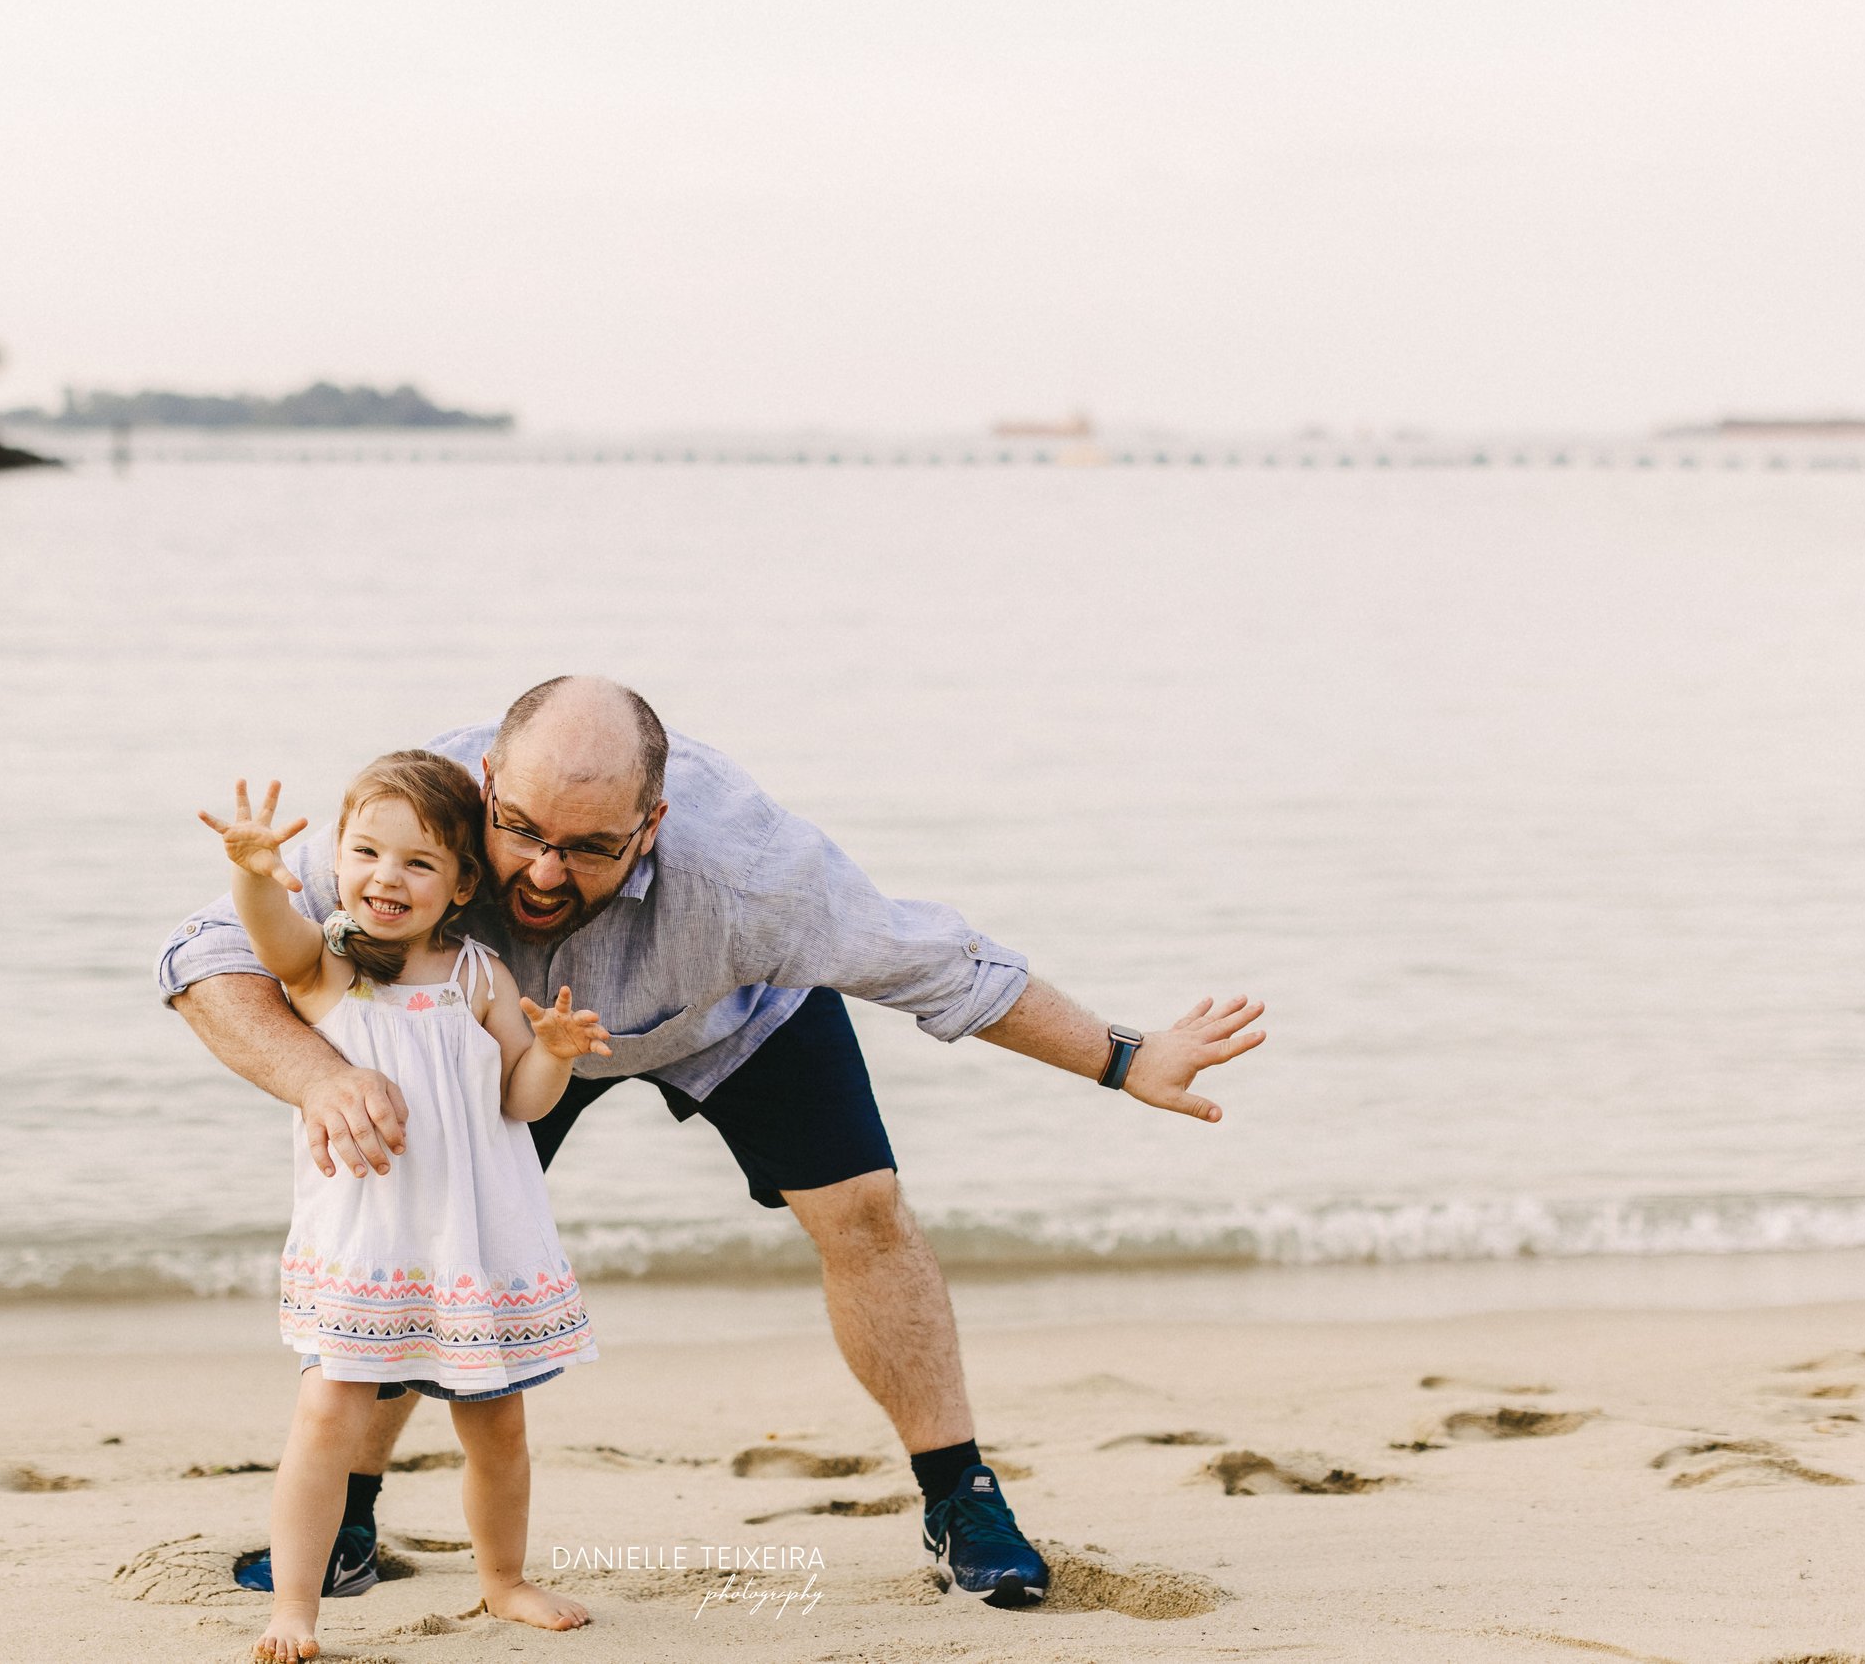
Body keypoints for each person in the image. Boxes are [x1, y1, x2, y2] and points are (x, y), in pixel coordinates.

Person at [160, 676, 1267, 1611]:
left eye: (589, 848)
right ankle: (346, 1523)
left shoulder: (752, 875)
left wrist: (1123, 1058)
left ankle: (958, 1497)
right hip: (489, 1041)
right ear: (488, 786)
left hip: (735, 1012)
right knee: (422, 1233)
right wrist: (326, 1077)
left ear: (652, 818)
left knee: (866, 1213)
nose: (546, 872)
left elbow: (944, 964)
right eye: (525, 834)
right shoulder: (422, 808)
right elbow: (207, 955)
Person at [197, 750, 609, 1661]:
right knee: (325, 1418)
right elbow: (270, 936)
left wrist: (554, 1052)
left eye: (419, 862)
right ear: (337, 862)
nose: (388, 876)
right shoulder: (331, 967)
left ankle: (502, 1579)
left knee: (498, 1425)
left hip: (472, 1240)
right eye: (367, 852)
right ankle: (295, 1605)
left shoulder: (479, 977)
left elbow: (521, 1102)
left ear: (462, 883)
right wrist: (253, 871)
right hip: (370, 1241)